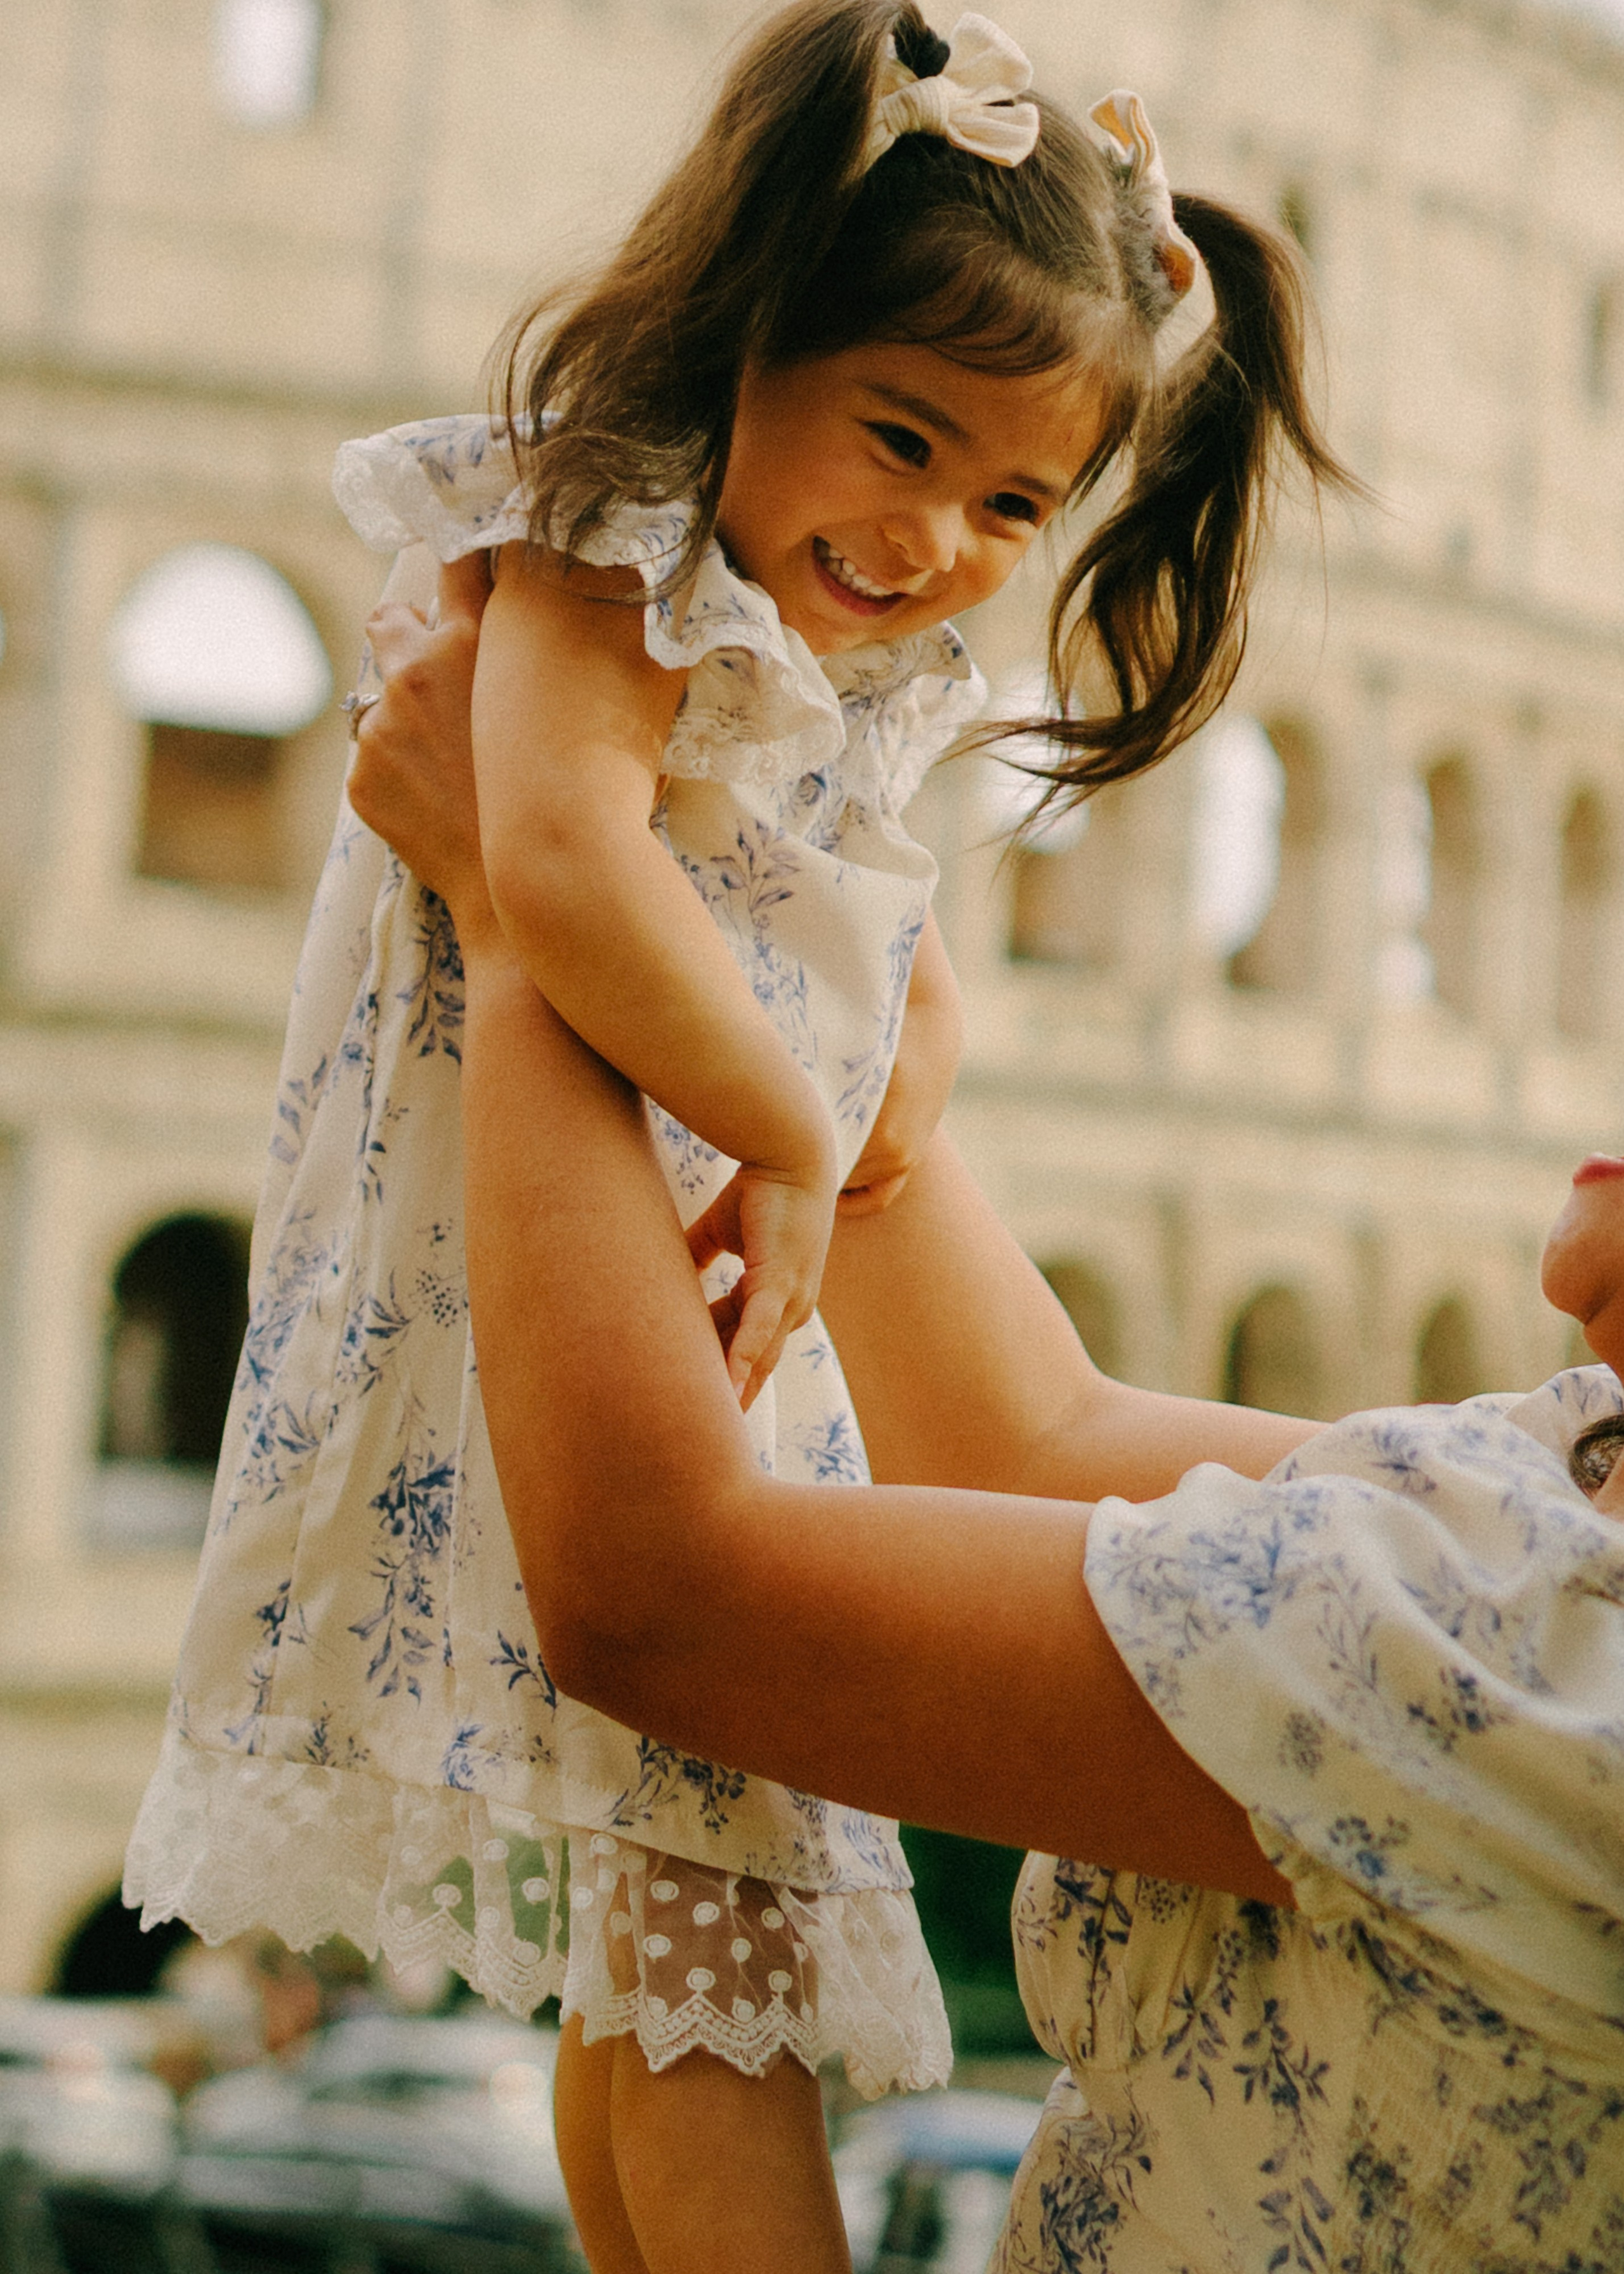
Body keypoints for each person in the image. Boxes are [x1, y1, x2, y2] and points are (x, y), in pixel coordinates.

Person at [126, 4, 1344, 2266]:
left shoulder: (811, 637)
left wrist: (864, 1081)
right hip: (572, 1295)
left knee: (663, 1941)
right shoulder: (613, 536)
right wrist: (792, 1126)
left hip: (674, 1307)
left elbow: (898, 978)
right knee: (729, 1945)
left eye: (1012, 504)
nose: (941, 539)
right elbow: (560, 862)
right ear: (747, 331)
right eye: (901, 439)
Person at [343, 593, 1624, 2267]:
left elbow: (664, 1593)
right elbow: (1022, 1446)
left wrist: (515, 914)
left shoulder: (1536, 1659)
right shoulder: (1558, 1498)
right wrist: (792, 930)